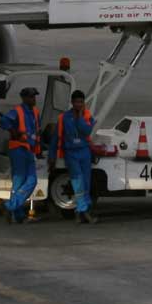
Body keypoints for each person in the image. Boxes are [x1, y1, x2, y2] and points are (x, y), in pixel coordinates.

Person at [0, 87, 42, 224]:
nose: (33, 99)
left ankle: (11, 207)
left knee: (31, 181)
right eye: (30, 97)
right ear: (23, 98)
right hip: (18, 149)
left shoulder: (35, 112)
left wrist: (38, 149)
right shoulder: (17, 111)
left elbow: (36, 131)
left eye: (34, 97)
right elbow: (4, 121)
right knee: (19, 182)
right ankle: (17, 215)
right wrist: (14, 131)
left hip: (29, 150)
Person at [56, 90, 97, 224]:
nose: (79, 104)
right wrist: (52, 155)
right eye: (76, 102)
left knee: (85, 182)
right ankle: (83, 211)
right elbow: (57, 136)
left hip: (84, 152)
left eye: (81, 102)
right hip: (71, 153)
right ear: (72, 103)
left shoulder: (87, 116)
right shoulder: (64, 117)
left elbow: (86, 131)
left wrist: (80, 118)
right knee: (77, 181)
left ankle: (81, 212)